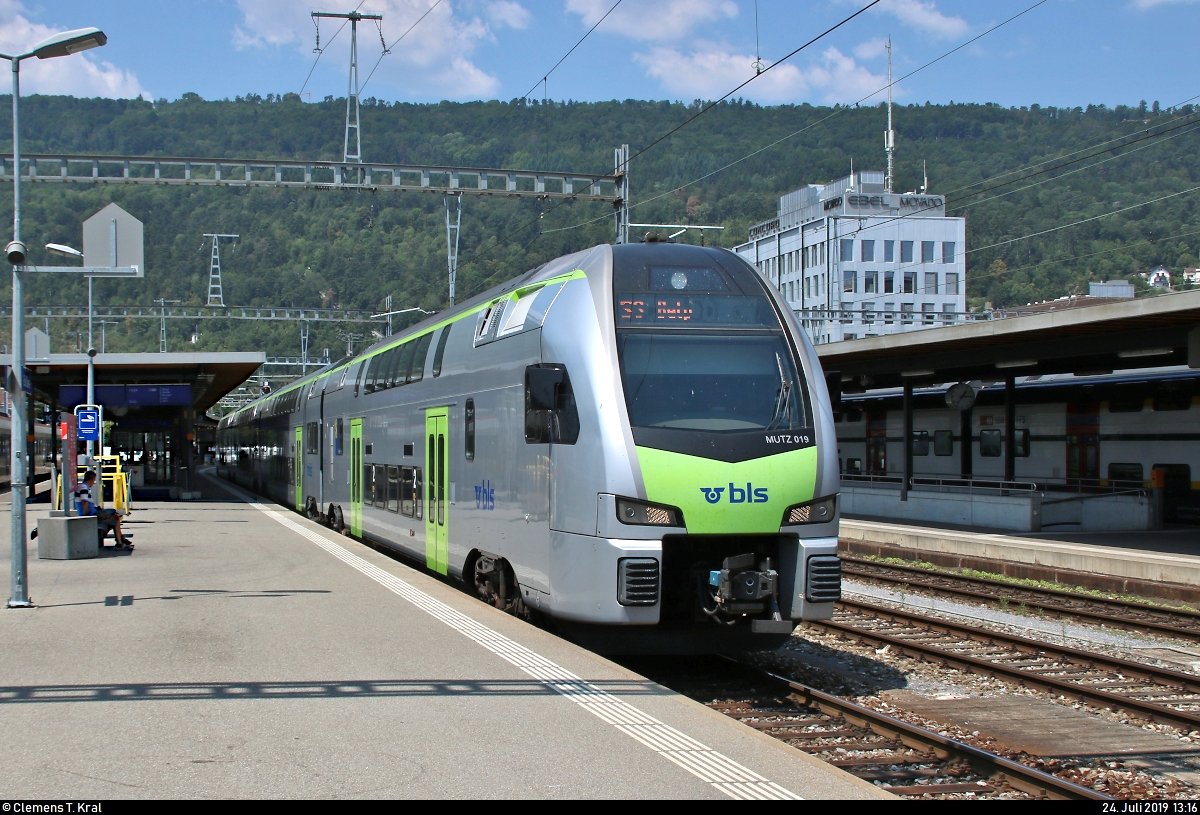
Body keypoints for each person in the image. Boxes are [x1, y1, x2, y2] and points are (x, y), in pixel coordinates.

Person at [75, 470, 133, 550]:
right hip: (93, 513)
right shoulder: (84, 488)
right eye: (94, 480)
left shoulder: (83, 487)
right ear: (92, 479)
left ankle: (120, 542)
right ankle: (120, 541)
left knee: (116, 518)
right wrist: (86, 516)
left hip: (94, 512)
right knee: (115, 512)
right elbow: (84, 501)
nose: (94, 482)